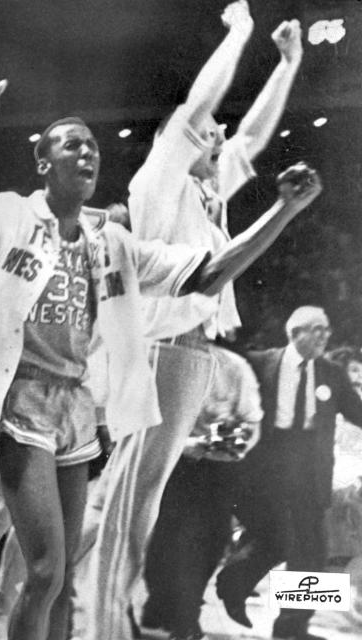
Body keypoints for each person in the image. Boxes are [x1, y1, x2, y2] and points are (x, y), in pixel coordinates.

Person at [0, 71, 320, 640]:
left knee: (60, 569)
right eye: (72, 143)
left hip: (81, 402)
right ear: (44, 163)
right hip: (23, 395)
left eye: (92, 144)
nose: (87, 150)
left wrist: (285, 212)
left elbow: (210, 274)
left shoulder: (113, 242)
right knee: (33, 547)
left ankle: (18, 610)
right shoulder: (19, 213)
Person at [77, 4, 307, 636]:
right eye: (206, 133)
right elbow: (198, 108)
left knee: (131, 502)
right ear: (175, 142)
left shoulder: (207, 196)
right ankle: (98, 622)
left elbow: (254, 136)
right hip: (159, 350)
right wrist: (240, 34)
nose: (218, 135)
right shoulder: (157, 183)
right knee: (128, 504)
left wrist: (289, 66)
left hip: (191, 354)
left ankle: (71, 598)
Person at [216, 306, 362, 640]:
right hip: (265, 468)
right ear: (293, 333)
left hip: (311, 470)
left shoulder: (332, 373)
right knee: (278, 541)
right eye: (316, 329)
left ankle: (292, 628)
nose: (324, 336)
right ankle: (234, 581)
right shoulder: (260, 363)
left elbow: (357, 412)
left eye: (326, 330)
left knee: (313, 551)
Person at [141, 344, 263, 640]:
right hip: (173, 464)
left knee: (213, 541)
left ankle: (169, 609)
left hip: (218, 469)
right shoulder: (157, 357)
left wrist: (237, 446)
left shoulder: (233, 366)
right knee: (169, 543)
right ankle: (181, 617)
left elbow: (252, 420)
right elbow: (145, 425)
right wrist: (186, 446)